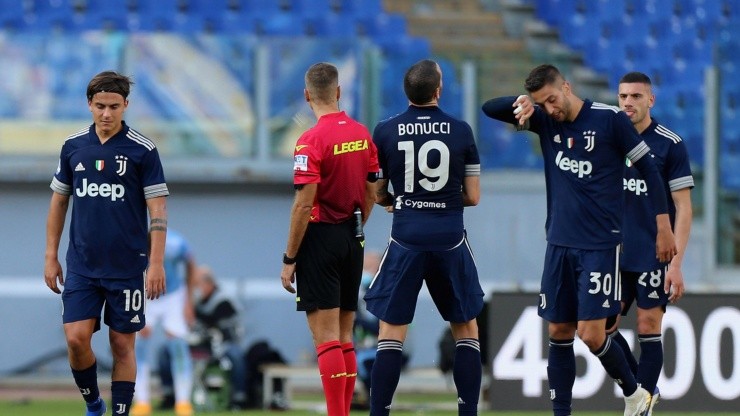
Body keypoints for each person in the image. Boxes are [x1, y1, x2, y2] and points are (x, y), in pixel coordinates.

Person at [481, 64, 677, 416]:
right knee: (558, 330)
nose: (551, 108)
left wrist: (663, 225)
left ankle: (634, 393)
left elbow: (648, 168)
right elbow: (489, 108)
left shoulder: (609, 120)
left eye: (553, 99)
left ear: (567, 87)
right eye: (544, 103)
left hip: (599, 246)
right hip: (558, 242)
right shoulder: (545, 119)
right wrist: (524, 102)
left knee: (591, 334)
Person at [44, 70, 169, 416]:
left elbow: (158, 209)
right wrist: (50, 255)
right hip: (82, 265)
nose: (106, 113)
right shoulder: (73, 147)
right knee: (75, 339)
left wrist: (156, 263)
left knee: (121, 344)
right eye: (100, 106)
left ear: (125, 105)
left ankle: (119, 412)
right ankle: (94, 405)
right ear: (89, 105)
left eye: (114, 106)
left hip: (127, 267)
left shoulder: (143, 151)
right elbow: (59, 202)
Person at [364, 59, 484, 416]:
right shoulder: (461, 130)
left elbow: (377, 191)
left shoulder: (385, 131)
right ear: (438, 90)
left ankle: (379, 412)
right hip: (449, 238)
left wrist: (399, 201)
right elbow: (474, 196)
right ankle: (468, 412)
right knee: (465, 327)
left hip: (406, 238)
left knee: (391, 331)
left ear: (407, 92)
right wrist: (441, 200)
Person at [280, 62, 379, 416]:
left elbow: (303, 203)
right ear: (338, 92)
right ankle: (345, 412)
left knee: (325, 338)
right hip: (353, 236)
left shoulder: (310, 140)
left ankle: (337, 414)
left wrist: (290, 258)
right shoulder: (361, 134)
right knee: (345, 334)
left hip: (320, 238)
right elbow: (372, 189)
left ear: (307, 95)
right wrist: (359, 223)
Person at [607, 71, 694, 416]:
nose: (628, 102)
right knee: (601, 328)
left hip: (652, 253)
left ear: (650, 100)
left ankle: (640, 405)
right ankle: (641, 388)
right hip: (614, 252)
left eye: (636, 97)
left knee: (647, 326)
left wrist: (676, 264)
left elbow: (683, 208)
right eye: (623, 96)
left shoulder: (669, 144)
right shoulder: (611, 138)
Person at [131, 229, 195, 416]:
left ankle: (183, 403)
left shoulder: (176, 244)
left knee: (177, 344)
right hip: (145, 295)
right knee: (139, 346)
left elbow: (192, 265)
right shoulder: (135, 240)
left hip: (173, 296)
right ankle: (142, 402)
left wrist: (189, 302)